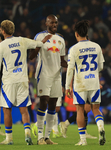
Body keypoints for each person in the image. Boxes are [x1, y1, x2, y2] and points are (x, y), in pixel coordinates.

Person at [0, 20, 51, 145]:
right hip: (23, 80)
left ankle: (9, 139)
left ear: (2, 31)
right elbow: (38, 44)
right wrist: (46, 38)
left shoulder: (1, 45)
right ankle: (27, 134)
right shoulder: (21, 40)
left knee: (7, 110)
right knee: (24, 110)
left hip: (9, 81)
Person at [65, 20, 106, 146]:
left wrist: (67, 86)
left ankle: (83, 140)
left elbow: (70, 69)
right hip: (94, 82)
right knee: (96, 109)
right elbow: (101, 67)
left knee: (80, 110)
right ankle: (100, 127)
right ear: (87, 33)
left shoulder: (73, 49)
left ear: (76, 34)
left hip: (80, 84)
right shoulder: (97, 46)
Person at [29, 14, 67, 145]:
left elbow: (62, 61)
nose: (54, 25)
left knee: (53, 105)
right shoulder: (39, 36)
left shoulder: (61, 39)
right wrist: (42, 42)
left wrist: (73, 66)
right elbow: (31, 56)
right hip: (43, 74)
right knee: (43, 102)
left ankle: (46, 137)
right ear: (46, 23)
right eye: (52, 23)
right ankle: (39, 136)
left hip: (57, 76)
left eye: (56, 23)